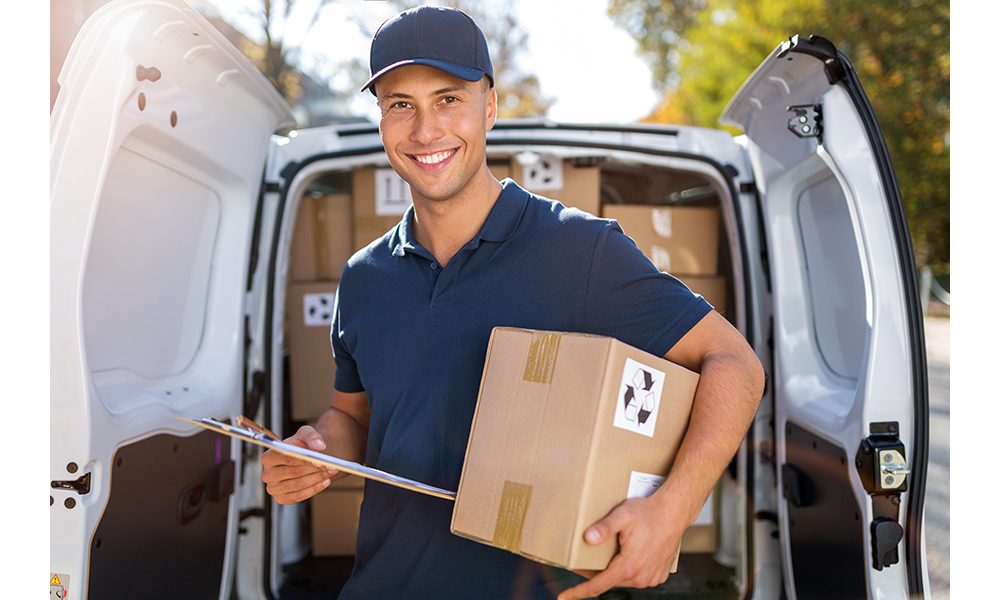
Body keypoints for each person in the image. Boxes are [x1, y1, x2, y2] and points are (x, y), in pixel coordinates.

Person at [261, 5, 765, 599]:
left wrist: (673, 509)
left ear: (491, 107)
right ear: (381, 118)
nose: (425, 131)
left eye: (449, 99)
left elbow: (735, 364)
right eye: (401, 104)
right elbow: (354, 417)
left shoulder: (579, 251)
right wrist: (315, 452)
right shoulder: (364, 276)